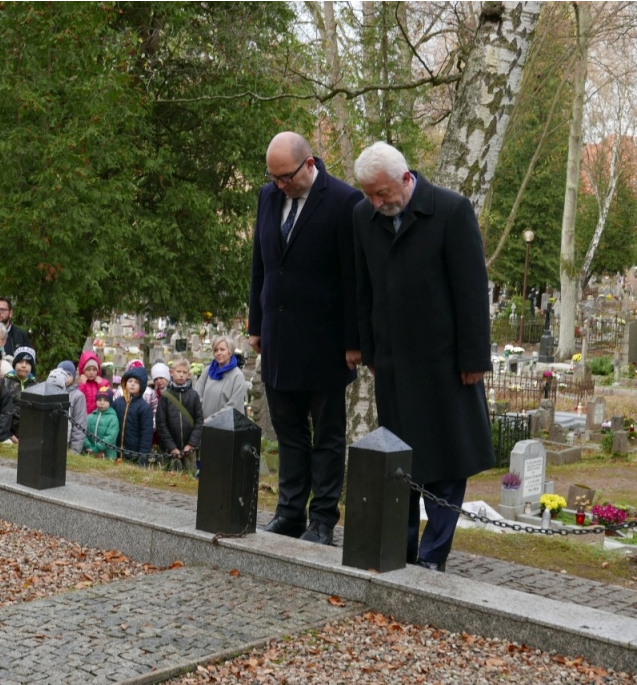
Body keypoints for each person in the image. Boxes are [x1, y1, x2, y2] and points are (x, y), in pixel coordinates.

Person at [352, 141, 495, 572]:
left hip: (445, 363)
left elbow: (471, 290)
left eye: (383, 193)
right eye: (370, 195)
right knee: (400, 459)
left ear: (406, 178)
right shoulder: (364, 218)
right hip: (394, 361)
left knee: (448, 460)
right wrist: (370, 349)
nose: (378, 203)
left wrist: (474, 358)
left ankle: (433, 555)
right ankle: (401, 547)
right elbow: (364, 288)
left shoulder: (451, 211)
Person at [248, 131, 361, 546]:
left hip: (325, 343)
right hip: (278, 339)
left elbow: (353, 279)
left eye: (286, 177)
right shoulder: (268, 198)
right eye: (273, 178)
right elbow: (260, 264)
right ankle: (290, 512)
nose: (280, 185)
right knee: (289, 433)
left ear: (308, 164)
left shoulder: (344, 201)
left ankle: (323, 520)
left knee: (328, 437)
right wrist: (255, 324)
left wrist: (354, 341)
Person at [156, 357, 204, 472]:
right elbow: (161, 423)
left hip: (189, 450)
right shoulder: (165, 396)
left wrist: (191, 444)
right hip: (169, 449)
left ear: (189, 374)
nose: (181, 375)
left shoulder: (194, 396)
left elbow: (199, 421)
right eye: (178, 372)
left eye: (184, 372)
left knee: (188, 480)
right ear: (171, 372)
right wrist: (172, 447)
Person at [195, 335, 247, 418]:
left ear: (230, 352)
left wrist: (211, 420)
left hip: (226, 426)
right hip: (203, 424)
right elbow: (197, 394)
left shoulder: (237, 376)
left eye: (222, 349)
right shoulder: (208, 370)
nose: (218, 353)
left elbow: (234, 406)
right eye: (216, 350)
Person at [112, 364, 153, 464]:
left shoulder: (144, 408)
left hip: (133, 453)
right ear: (125, 383)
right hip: (115, 452)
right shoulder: (117, 403)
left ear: (142, 386)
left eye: (136, 382)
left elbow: (146, 435)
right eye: (130, 381)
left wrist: (142, 458)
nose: (132, 384)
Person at [6, 346, 38, 443]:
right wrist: (9, 435)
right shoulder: (5, 383)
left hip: (31, 437)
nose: (23, 365)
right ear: (15, 364)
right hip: (8, 435)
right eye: (20, 362)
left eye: (28, 363)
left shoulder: (37, 387)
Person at [57, 360, 88, 454]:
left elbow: (79, 423)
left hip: (68, 445)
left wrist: (75, 450)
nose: (65, 377)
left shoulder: (78, 396)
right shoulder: (52, 392)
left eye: (68, 374)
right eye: (61, 374)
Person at [83, 388, 120, 460]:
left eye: (105, 400)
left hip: (108, 455)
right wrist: (88, 446)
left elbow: (110, 437)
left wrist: (96, 449)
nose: (102, 403)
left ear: (110, 402)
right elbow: (84, 432)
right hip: (90, 453)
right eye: (99, 400)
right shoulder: (90, 417)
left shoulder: (113, 418)